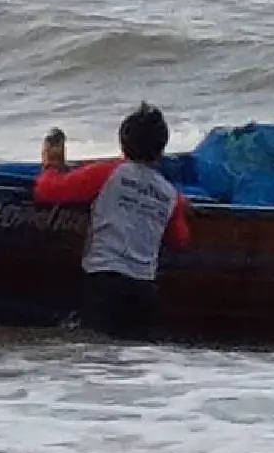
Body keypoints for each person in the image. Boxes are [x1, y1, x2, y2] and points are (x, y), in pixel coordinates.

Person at [32, 104, 190, 341]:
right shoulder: (171, 195)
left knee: (99, 355)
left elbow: (47, 191)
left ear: (123, 143)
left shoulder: (106, 174)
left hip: (104, 282)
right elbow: (180, 240)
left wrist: (51, 166)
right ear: (161, 150)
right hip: (144, 290)